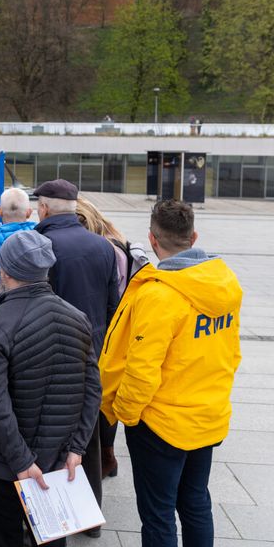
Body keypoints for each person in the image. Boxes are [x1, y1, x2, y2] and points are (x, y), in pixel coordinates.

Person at [100, 200, 243, 547]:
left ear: (152, 238)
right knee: (196, 503)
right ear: (194, 236)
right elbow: (232, 351)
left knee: (159, 513)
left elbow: (142, 368)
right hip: (206, 414)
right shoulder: (225, 284)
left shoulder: (159, 294)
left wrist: (127, 414)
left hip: (160, 422)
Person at [0, 230, 99, 547]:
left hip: (0, 464)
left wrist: (21, 460)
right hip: (56, 463)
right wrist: (76, 448)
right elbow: (92, 390)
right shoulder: (77, 316)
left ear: (6, 270)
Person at [33, 179, 121, 532]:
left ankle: (48, 517)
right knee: (87, 437)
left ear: (43, 208)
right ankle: (89, 517)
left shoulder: (42, 243)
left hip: (51, 352)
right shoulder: (103, 246)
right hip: (93, 350)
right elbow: (113, 303)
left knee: (48, 437)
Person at [75, 195, 151, 480]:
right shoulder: (117, 240)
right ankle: (107, 456)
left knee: (100, 394)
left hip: (110, 330)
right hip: (119, 327)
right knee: (104, 391)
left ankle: (104, 456)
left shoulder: (105, 248)